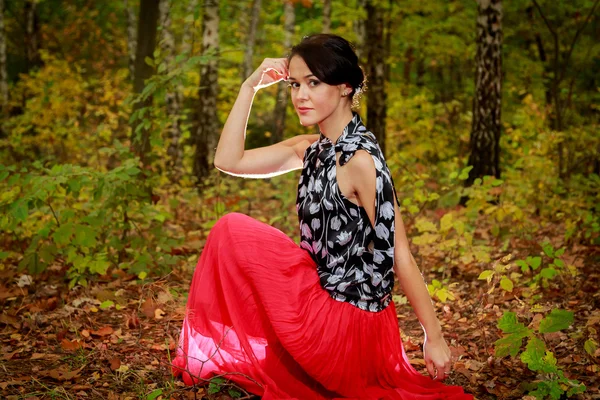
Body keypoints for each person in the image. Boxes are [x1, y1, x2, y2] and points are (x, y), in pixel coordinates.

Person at [172, 34, 472, 399]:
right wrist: (249, 87)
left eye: (314, 83)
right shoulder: (312, 150)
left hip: (348, 327)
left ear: (345, 87)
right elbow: (228, 161)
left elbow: (400, 256)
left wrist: (434, 338)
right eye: (295, 84)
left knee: (234, 228)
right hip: (322, 303)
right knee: (230, 229)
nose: (300, 95)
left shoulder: (361, 161)